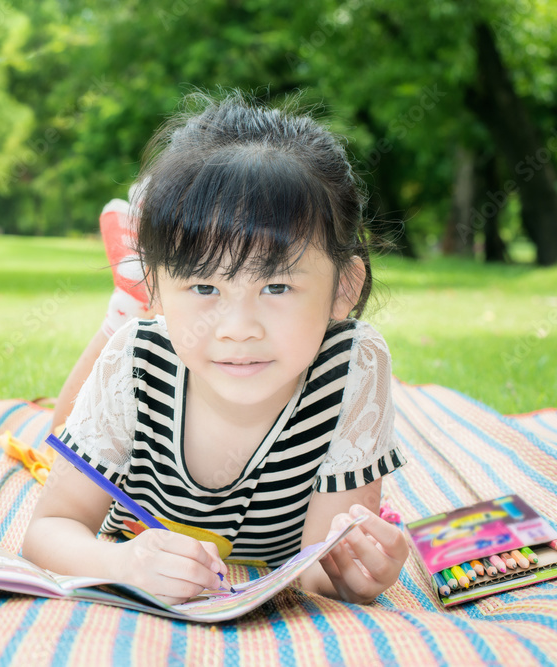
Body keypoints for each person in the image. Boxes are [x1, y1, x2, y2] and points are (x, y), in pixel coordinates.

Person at [22, 91, 409, 605]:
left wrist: (352, 576)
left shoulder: (352, 367)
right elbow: (49, 530)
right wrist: (120, 563)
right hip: (136, 396)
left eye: (276, 287)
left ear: (344, 287)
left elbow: (315, 569)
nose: (238, 328)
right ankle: (127, 306)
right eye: (205, 287)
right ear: (161, 287)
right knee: (61, 430)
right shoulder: (137, 363)